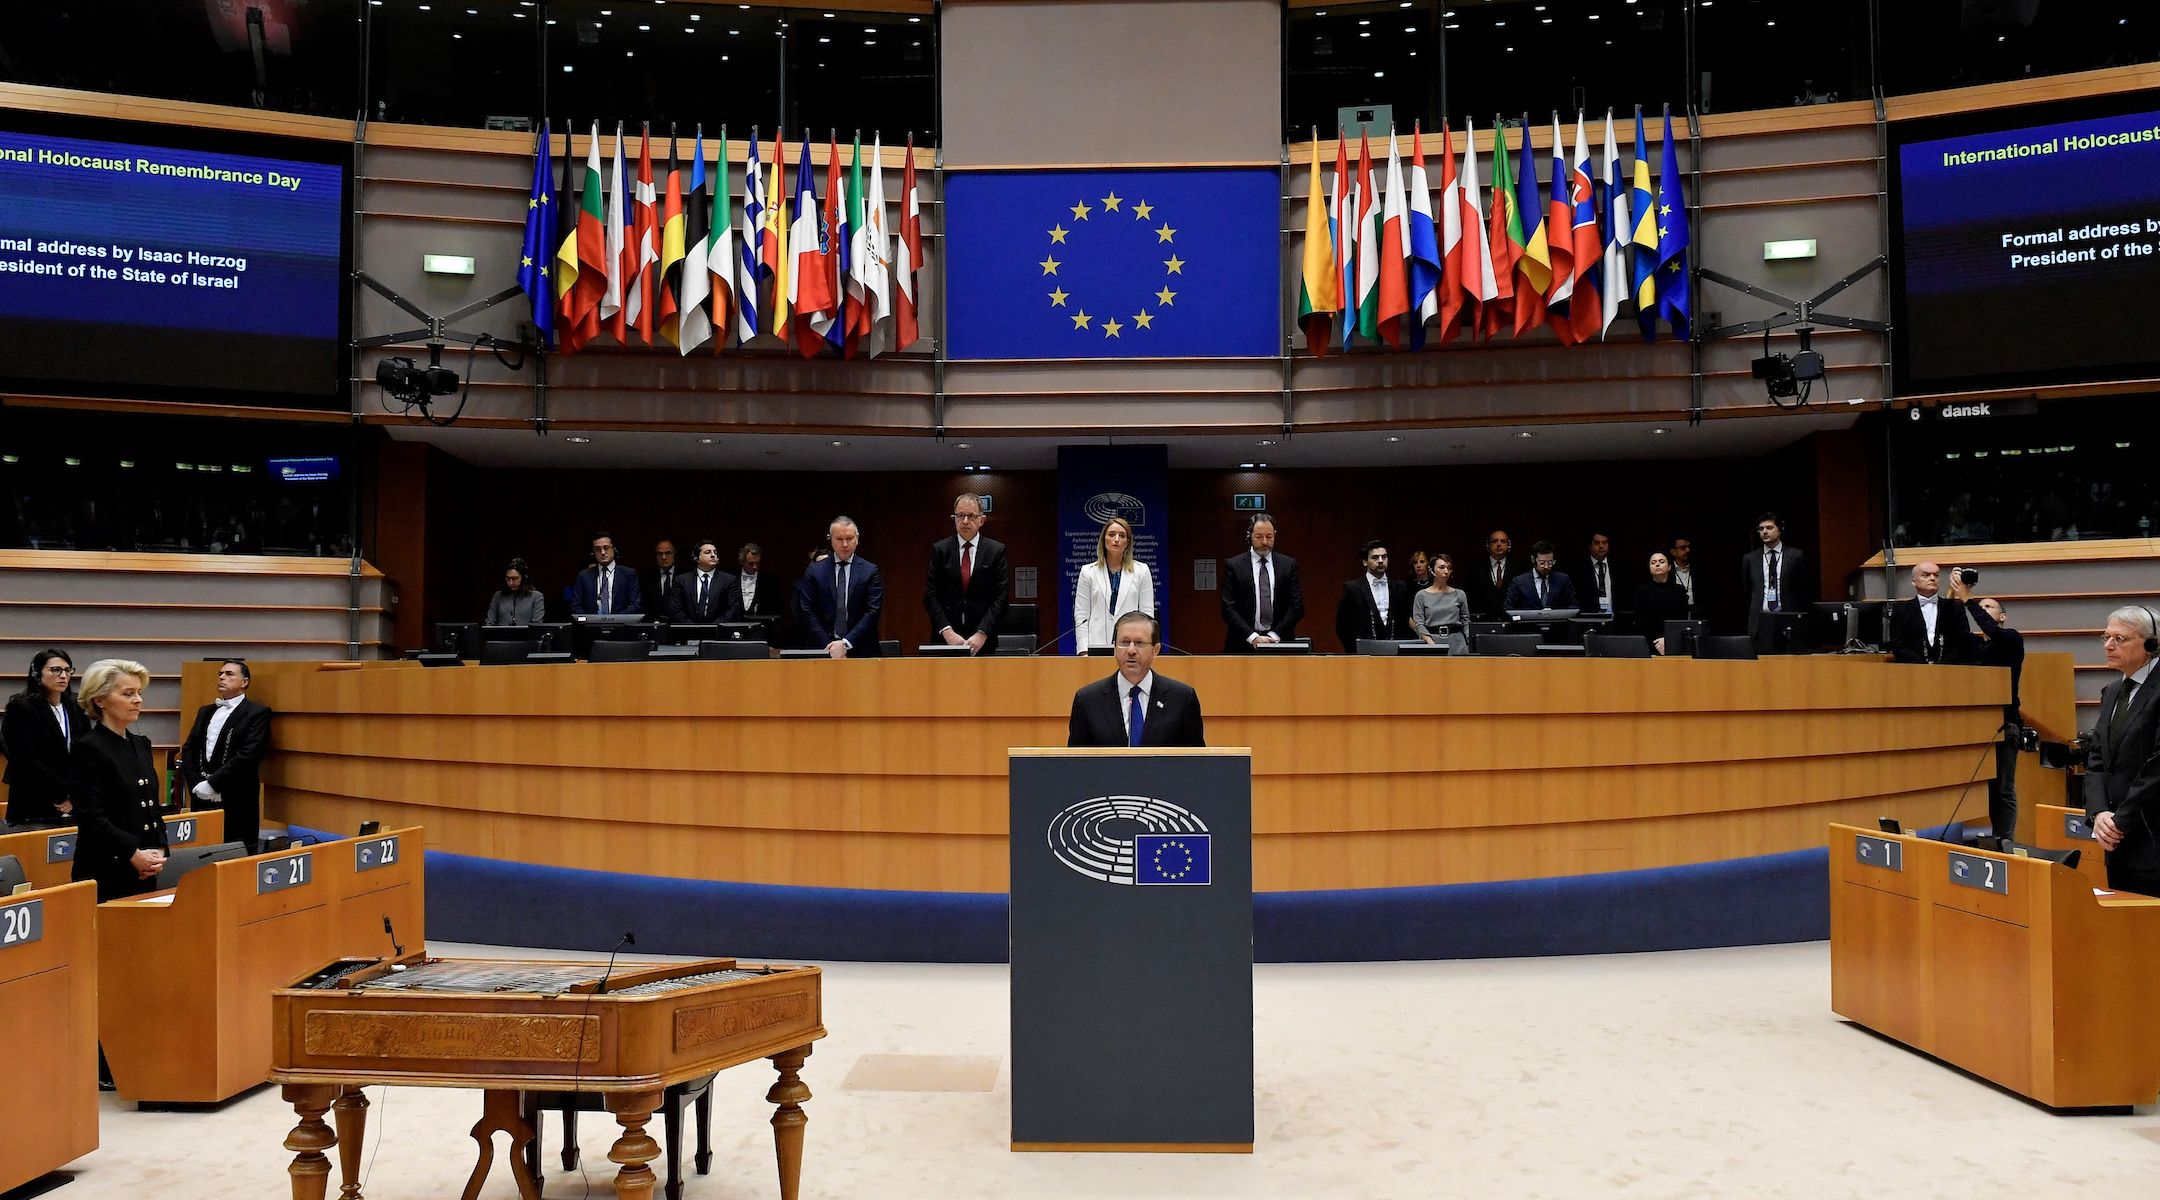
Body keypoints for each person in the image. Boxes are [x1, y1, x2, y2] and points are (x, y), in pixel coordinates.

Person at [69, 658, 168, 901]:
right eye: (127, 693)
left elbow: (152, 807)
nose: (138, 700)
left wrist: (160, 850)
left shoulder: (141, 744)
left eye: (139, 692)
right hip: (107, 866)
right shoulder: (88, 748)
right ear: (100, 700)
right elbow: (92, 816)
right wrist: (132, 854)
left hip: (145, 865)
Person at [2084, 605, 2160, 896]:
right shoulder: (2113, 691)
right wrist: (2099, 812)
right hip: (2115, 837)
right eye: (2106, 637)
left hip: (2151, 832)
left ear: (2152, 644)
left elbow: (2157, 766)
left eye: (2120, 638)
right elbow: (2097, 758)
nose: (2108, 645)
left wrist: (2119, 821)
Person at [1954, 571, 2026, 842]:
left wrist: (1969, 599)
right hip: (1974, 723)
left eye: (1989, 606)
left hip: (2004, 723)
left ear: (2003, 615)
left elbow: (1991, 629)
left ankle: (2004, 839)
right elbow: (1955, 630)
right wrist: (1955, 597)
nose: (1983, 610)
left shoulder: (2011, 638)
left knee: (2002, 788)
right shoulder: (1973, 645)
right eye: (1981, 606)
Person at [1067, 612, 1205, 748]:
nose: (1131, 650)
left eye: (1139, 643)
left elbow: (1196, 763)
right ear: (1114, 648)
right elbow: (1075, 765)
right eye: (1124, 642)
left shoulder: (1182, 698)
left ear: (1155, 650)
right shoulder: (1087, 700)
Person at [179, 658, 274, 854]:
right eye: (220, 674)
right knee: (201, 851)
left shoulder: (257, 712)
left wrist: (214, 783)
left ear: (244, 682)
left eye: (229, 674)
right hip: (201, 795)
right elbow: (189, 749)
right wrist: (196, 784)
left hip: (237, 796)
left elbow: (249, 754)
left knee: (235, 851)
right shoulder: (205, 711)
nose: (222, 677)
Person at [2, 648, 89, 826]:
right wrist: (64, 791)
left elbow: (86, 750)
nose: (63, 675)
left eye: (67, 670)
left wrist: (75, 794)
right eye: (56, 670)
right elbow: (26, 759)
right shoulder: (21, 707)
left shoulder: (75, 705)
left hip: (73, 801)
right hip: (33, 796)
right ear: (36, 674)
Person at [924, 493, 1010, 654]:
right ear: (954, 518)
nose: (965, 521)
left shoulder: (995, 551)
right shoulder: (940, 550)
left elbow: (1001, 598)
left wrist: (982, 633)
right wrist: (947, 631)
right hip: (946, 638)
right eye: (960, 515)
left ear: (981, 520)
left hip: (983, 640)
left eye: (971, 516)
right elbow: (930, 595)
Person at [797, 516, 883, 658]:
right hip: (822, 648)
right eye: (839, 539)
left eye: (849, 539)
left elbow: (872, 612)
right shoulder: (815, 570)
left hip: (861, 649)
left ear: (857, 539)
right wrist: (831, 646)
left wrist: (845, 643)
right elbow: (806, 610)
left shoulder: (870, 571)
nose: (844, 544)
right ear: (830, 539)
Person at [1219, 512, 1304, 652]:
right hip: (1242, 643)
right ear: (1249, 536)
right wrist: (1253, 636)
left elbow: (1297, 606)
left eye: (1269, 537)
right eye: (1259, 537)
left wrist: (1274, 635)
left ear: (1275, 535)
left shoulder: (1288, 565)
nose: (1265, 542)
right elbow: (1228, 607)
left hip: (1280, 642)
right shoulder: (1234, 565)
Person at [1074, 517, 1155, 654]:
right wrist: (1083, 650)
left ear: (1127, 542)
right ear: (1104, 539)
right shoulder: (1088, 572)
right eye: (1111, 534)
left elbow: (1147, 615)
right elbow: (1081, 615)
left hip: (1131, 647)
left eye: (1122, 535)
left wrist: (1146, 648)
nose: (1116, 539)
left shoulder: (1142, 571)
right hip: (1096, 645)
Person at [1886, 562, 1974, 665]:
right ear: (1914, 581)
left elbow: (1963, 640)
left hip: (1949, 669)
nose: (1932, 578)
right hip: (1912, 670)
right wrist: (1922, 666)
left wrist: (1942, 665)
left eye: (1936, 575)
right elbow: (1898, 644)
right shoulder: (1901, 609)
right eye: (1926, 575)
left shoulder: (1955, 607)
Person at [1743, 512, 1813, 642]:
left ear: (1780, 530)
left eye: (1769, 528)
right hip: (1760, 619)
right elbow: (1747, 590)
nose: (1764, 532)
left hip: (1788, 617)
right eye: (1761, 529)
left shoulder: (1796, 556)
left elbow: (1805, 589)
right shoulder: (1750, 559)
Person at [1336, 540, 1414, 651]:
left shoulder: (1401, 587)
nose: (1381, 561)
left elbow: (1405, 620)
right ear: (1365, 562)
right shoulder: (1352, 588)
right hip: (1363, 653)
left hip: (1396, 652)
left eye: (1384, 557)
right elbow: (1342, 626)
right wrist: (1354, 651)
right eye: (1375, 557)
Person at [666, 540, 743, 624]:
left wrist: (713, 628)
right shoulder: (682, 580)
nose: (713, 555)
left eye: (715, 552)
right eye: (708, 552)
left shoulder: (729, 580)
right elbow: (675, 608)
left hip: (719, 631)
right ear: (696, 557)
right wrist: (692, 628)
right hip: (688, 632)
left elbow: (734, 609)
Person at [570, 531, 643, 616]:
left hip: (620, 625)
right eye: (598, 549)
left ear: (614, 549)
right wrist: (590, 620)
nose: (603, 552)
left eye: (606, 548)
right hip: (592, 626)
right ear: (593, 552)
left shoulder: (628, 574)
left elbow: (636, 605)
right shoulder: (584, 576)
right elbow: (576, 606)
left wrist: (613, 619)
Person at [1409, 553, 1471, 655]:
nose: (1446, 571)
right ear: (1432, 570)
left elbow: (1466, 621)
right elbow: (1419, 623)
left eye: (1448, 568)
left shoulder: (1459, 594)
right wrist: (1431, 643)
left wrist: (1469, 642)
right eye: (1441, 567)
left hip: (1457, 641)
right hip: (1432, 641)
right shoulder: (1421, 595)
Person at [1633, 552, 1692, 654]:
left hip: (1675, 642)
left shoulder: (1679, 591)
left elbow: (1682, 619)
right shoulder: (1642, 591)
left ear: (1669, 567)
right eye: (1653, 562)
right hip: (1648, 642)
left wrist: (1668, 640)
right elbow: (1641, 620)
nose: (1657, 564)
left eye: (1661, 561)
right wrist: (1657, 641)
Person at [1503, 541, 1579, 612]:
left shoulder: (1563, 580)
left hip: (1556, 624)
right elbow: (1508, 608)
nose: (1546, 567)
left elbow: (1573, 606)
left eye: (1550, 563)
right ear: (1533, 560)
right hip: (1528, 624)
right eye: (1542, 563)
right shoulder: (1519, 581)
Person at [1466, 529, 1515, 620]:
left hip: (1511, 619)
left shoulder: (1519, 568)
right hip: (1484, 620)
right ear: (1488, 545)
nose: (1499, 544)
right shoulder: (1476, 568)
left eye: (1503, 541)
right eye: (1495, 541)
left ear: (1509, 545)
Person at [1574, 533, 1627, 616]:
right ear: (1590, 546)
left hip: (1615, 620)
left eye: (1605, 543)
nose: (1601, 546)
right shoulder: (1579, 569)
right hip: (1589, 619)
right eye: (1597, 543)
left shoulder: (1619, 568)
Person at [736, 543, 787, 626]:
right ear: (742, 561)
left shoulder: (770, 581)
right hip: (735, 626)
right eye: (751, 563)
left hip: (761, 627)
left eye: (757, 563)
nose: (755, 567)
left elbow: (776, 609)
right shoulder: (731, 579)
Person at [484, 557, 545, 625]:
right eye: (508, 578)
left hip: (526, 635)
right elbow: (489, 623)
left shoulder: (536, 597)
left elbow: (536, 625)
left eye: (515, 578)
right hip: (501, 635)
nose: (511, 582)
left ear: (524, 578)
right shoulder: (498, 596)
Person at [645, 540, 681, 620]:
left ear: (674, 553)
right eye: (660, 554)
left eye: (668, 553)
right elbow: (645, 605)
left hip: (679, 624)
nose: (664, 557)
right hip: (655, 624)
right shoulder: (647, 578)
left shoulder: (684, 576)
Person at [1669, 536, 1700, 615]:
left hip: (1697, 612)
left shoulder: (1698, 569)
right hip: (1676, 614)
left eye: (1688, 547)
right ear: (1673, 552)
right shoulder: (1667, 571)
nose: (1688, 550)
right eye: (1683, 548)